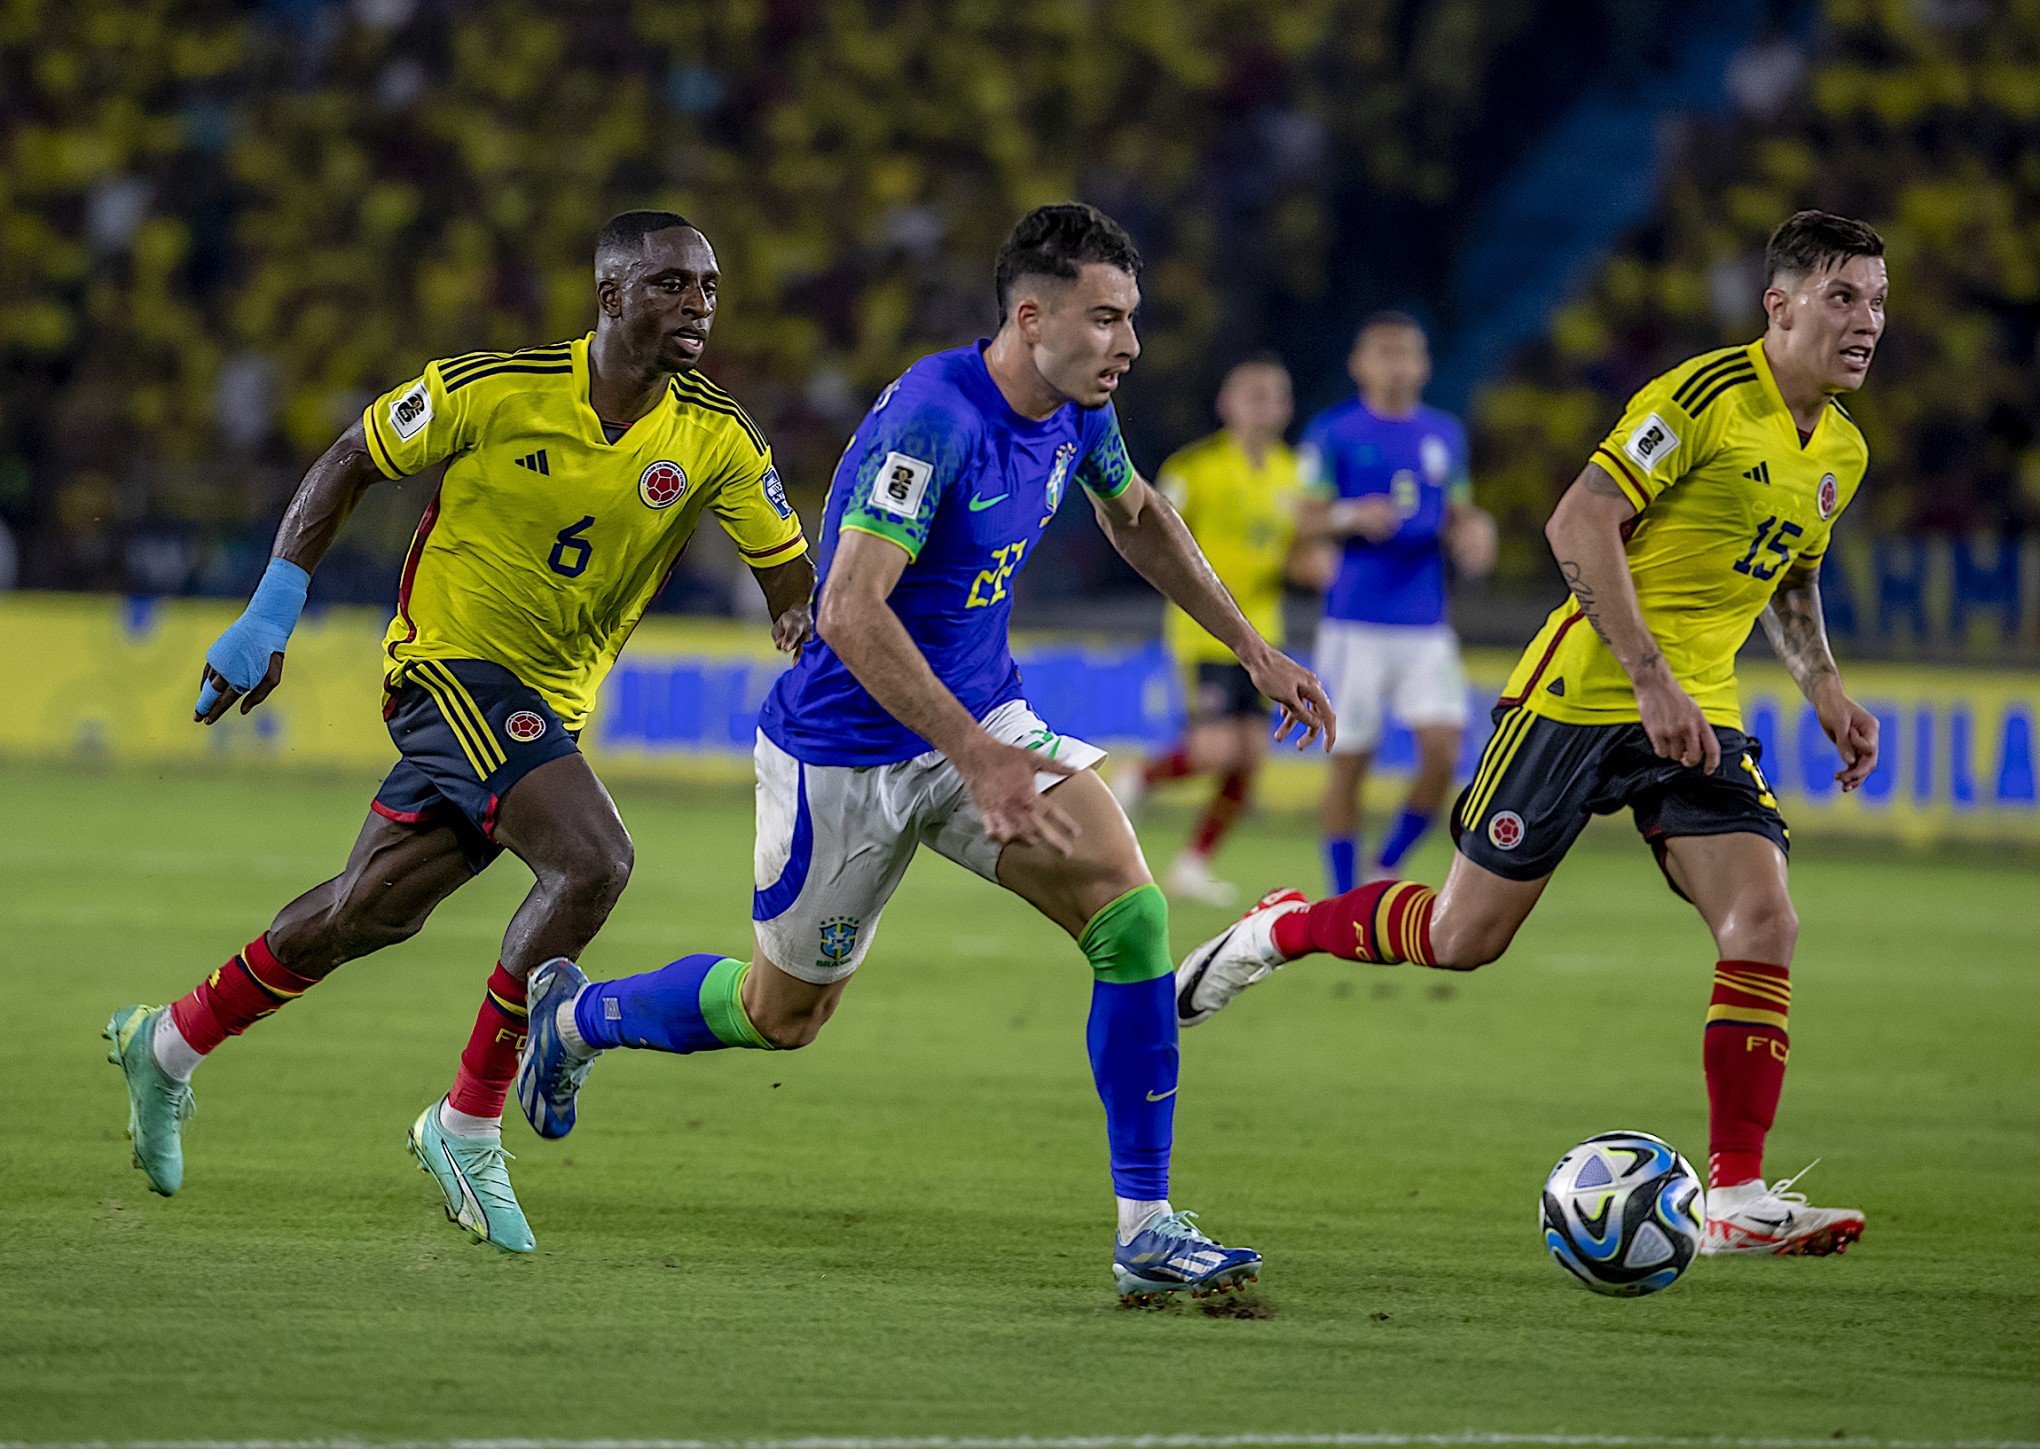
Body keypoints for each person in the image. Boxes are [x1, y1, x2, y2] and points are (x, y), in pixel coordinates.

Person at [516, 204, 1334, 1301]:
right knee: (782, 1016)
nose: (1128, 344)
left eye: (1132, 318)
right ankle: (579, 1016)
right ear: (1032, 316)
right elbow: (850, 610)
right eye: (1106, 319)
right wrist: (977, 760)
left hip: (981, 718)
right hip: (845, 748)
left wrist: (1251, 644)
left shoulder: (1080, 407)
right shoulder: (937, 420)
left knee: (1131, 914)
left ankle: (1147, 1228)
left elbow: (1136, 517)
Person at [1177, 211, 1887, 1258]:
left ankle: (1735, 1195)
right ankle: (1281, 928)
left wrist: (1824, 684)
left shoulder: (1843, 449)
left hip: (1699, 713)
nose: (1866, 321)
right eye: (1843, 298)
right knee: (1465, 939)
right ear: (1779, 307)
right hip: (1584, 690)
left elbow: (1791, 568)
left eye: (1876, 301)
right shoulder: (1701, 399)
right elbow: (1578, 522)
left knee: (1763, 921)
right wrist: (1647, 677)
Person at [103, 211, 814, 1254]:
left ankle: (166, 1042)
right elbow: (351, 457)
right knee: (594, 862)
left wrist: (804, 627)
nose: (696, 306)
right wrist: (270, 612)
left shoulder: (717, 437)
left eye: (707, 287)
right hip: (444, 668)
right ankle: (470, 1120)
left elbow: (786, 577)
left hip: (546, 704)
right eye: (668, 284)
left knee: (369, 913)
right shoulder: (496, 385)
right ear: (610, 295)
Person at [1111, 354, 1324, 906]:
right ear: (1225, 405)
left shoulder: (1297, 475)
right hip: (1202, 633)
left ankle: (1192, 865)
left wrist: (1319, 566)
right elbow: (1153, 540)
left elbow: (1300, 555)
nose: (1263, 406)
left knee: (1251, 757)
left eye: (1274, 395)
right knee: (1215, 750)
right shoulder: (1193, 470)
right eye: (1251, 394)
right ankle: (1139, 779)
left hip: (1265, 638)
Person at [1299, 313, 1496, 894]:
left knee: (1443, 753)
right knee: (1350, 764)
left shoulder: (1444, 434)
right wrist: (1348, 516)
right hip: (1354, 623)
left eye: (1407, 354)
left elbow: (1461, 510)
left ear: (1424, 365)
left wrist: (1475, 531)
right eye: (1384, 353)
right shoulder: (1332, 431)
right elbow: (1304, 516)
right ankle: (1343, 894)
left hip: (1424, 623)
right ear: (1359, 364)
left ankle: (1386, 865)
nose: (1396, 365)